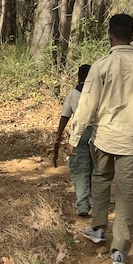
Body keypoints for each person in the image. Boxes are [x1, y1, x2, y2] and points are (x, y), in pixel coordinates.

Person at [66, 14, 133, 264]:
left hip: (104, 138)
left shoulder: (101, 66)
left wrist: (74, 136)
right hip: (132, 142)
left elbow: (86, 106)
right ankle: (120, 251)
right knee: (126, 195)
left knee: (100, 180)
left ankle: (98, 228)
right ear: (132, 37)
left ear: (110, 36)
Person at [53, 64, 93, 218]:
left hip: (79, 134)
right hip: (98, 133)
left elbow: (65, 116)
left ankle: (82, 204)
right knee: (96, 169)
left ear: (78, 77)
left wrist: (58, 135)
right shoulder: (100, 93)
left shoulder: (73, 94)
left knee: (79, 169)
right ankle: (97, 202)